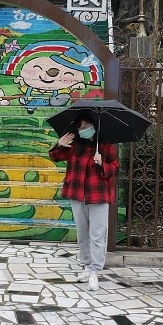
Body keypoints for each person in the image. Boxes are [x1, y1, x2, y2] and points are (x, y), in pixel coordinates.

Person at [48, 112, 119, 290]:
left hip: (98, 195)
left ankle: (95, 270)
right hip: (77, 193)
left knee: (97, 234)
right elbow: (55, 157)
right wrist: (59, 144)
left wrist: (102, 163)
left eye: (87, 125)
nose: (83, 129)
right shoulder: (74, 146)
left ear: (94, 125)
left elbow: (115, 168)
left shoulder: (105, 146)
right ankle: (87, 266)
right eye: (80, 126)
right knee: (82, 233)